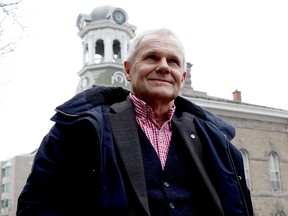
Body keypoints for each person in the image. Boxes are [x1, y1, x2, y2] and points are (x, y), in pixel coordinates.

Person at [17, 28, 254, 215]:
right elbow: (38, 206)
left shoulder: (214, 139)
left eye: (172, 61)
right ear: (128, 70)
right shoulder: (79, 129)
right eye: (151, 57)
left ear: (182, 77)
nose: (163, 66)